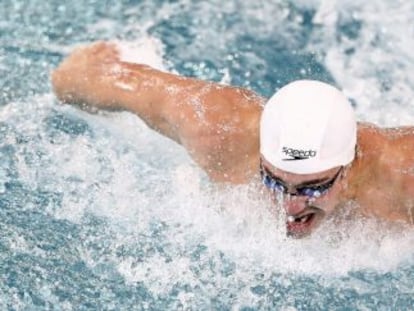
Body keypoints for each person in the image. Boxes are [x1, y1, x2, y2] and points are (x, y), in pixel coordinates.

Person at [52, 42, 414, 238]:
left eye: (314, 187)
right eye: (273, 179)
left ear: (348, 167)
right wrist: (73, 77)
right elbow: (84, 77)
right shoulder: (215, 128)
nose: (289, 207)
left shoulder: (403, 178)